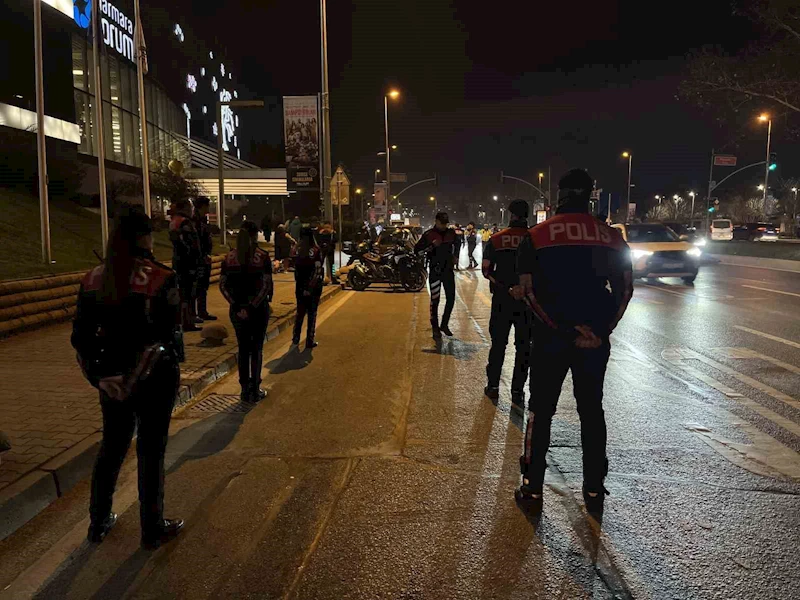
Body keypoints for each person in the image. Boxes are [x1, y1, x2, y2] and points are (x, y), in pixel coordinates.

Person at [515, 169, 633, 514]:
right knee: (592, 412)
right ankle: (594, 489)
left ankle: (532, 488)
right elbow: (625, 291)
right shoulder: (611, 237)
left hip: (551, 338)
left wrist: (563, 330)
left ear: (559, 195)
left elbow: (530, 291)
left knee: (541, 411)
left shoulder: (536, 236)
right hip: (595, 341)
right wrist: (600, 331)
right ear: (590, 195)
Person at [71, 206, 184, 550]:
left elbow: (80, 338)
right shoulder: (162, 278)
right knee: (151, 451)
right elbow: (169, 335)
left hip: (111, 382)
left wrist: (101, 378)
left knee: (112, 448)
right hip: (155, 378)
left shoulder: (94, 279)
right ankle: (152, 528)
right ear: (145, 237)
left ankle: (98, 521)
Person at [482, 200, 532, 410]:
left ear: (510, 214)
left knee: (498, 344)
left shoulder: (496, 239)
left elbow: (486, 270)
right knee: (523, 347)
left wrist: (507, 287)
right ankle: (518, 391)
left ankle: (493, 386)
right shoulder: (535, 239)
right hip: (527, 302)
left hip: (503, 300)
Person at [220, 221, 273, 403]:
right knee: (256, 349)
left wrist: (237, 306)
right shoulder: (262, 257)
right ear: (254, 235)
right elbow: (266, 285)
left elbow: (223, 285)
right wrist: (252, 306)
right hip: (258, 310)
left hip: (236, 312)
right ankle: (255, 389)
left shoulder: (229, 258)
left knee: (243, 349)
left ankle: (244, 390)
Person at [415, 212, 457, 340]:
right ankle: (435, 328)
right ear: (436, 221)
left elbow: (457, 245)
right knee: (435, 300)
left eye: (446, 223)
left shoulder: (451, 234)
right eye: (441, 223)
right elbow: (417, 251)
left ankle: (444, 324)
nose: (444, 226)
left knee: (451, 298)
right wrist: (432, 246)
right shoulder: (428, 235)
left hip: (448, 271)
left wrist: (456, 257)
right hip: (435, 271)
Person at [169, 198, 202, 331]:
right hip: (187, 263)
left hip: (179, 262)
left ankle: (185, 320)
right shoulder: (185, 223)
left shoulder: (174, 221)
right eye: (190, 208)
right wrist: (194, 262)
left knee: (184, 293)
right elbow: (190, 245)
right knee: (188, 294)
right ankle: (187, 322)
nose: (192, 210)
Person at [292, 227, 324, 349]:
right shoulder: (316, 250)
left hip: (299, 286)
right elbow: (317, 270)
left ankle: (296, 337)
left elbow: (295, 269)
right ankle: (309, 340)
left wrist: (302, 287)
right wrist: (310, 287)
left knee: (300, 312)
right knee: (312, 314)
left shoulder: (297, 250)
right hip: (313, 287)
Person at [192, 197, 217, 322]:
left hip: (204, 257)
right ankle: (194, 314)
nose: (209, 208)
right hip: (199, 259)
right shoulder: (195, 221)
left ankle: (202, 311)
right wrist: (202, 255)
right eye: (207, 206)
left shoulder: (202, 220)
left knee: (203, 286)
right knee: (198, 286)